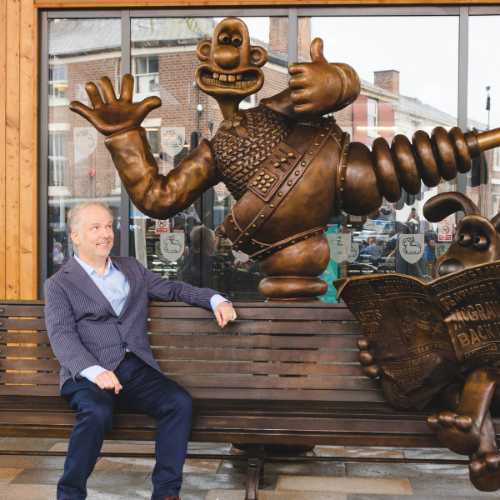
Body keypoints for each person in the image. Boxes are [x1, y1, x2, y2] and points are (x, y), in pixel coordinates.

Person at [44, 200, 236, 500]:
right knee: (96, 411)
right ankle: (69, 494)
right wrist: (96, 372)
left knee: (179, 402)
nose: (105, 233)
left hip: (134, 369)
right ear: (77, 236)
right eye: (96, 227)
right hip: (87, 375)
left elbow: (173, 290)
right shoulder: (59, 284)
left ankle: (166, 493)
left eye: (108, 226)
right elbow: (62, 336)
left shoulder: (131, 268)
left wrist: (215, 300)